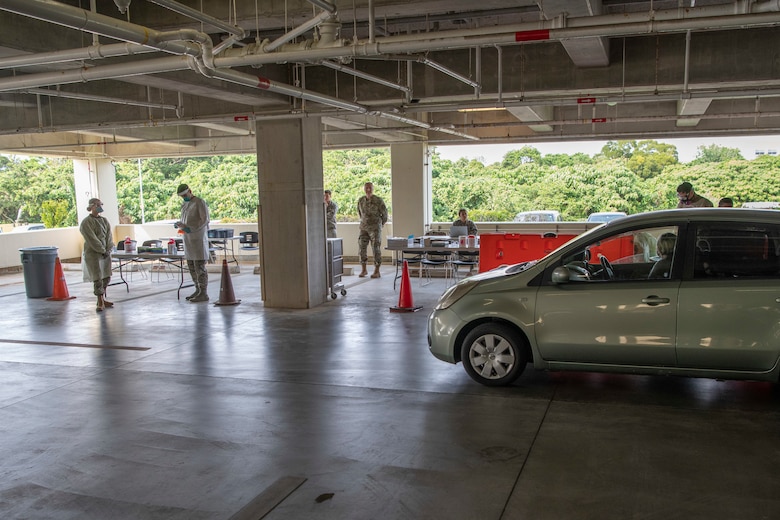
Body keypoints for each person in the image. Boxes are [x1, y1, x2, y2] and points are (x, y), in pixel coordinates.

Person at [175, 183, 211, 302]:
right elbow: (186, 219)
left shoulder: (199, 202)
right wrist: (181, 225)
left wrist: (192, 228)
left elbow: (204, 219)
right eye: (182, 196)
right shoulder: (185, 204)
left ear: (190, 191)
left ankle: (203, 292)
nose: (184, 197)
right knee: (191, 266)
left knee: (199, 267)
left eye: (185, 195)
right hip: (188, 240)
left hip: (198, 239)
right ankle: (197, 289)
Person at [79, 198, 114, 312]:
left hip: (105, 253)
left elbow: (109, 236)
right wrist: (101, 249)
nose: (99, 207)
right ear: (92, 207)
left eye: (101, 204)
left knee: (106, 276)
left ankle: (103, 299)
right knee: (97, 277)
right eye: (97, 205)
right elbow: (91, 238)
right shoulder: (86, 222)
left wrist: (108, 249)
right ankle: (99, 301)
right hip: (93, 253)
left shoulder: (104, 221)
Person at [357, 181, 388, 278]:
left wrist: (380, 224)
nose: (368, 189)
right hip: (364, 228)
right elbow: (360, 213)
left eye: (370, 187)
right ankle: (364, 269)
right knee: (362, 247)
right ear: (364, 189)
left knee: (376, 248)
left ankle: (377, 270)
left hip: (375, 228)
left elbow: (385, 214)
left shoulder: (378, 200)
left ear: (373, 188)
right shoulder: (361, 200)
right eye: (366, 187)